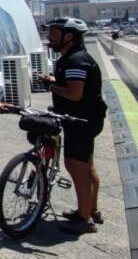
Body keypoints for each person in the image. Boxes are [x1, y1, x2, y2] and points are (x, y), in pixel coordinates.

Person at [40, 17, 107, 235]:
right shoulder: (73, 58)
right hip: (86, 120)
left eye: (54, 32)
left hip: (80, 121)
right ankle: (91, 209)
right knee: (86, 165)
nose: (50, 37)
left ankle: (84, 220)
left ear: (69, 35)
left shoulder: (75, 60)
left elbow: (74, 94)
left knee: (76, 168)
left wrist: (52, 85)